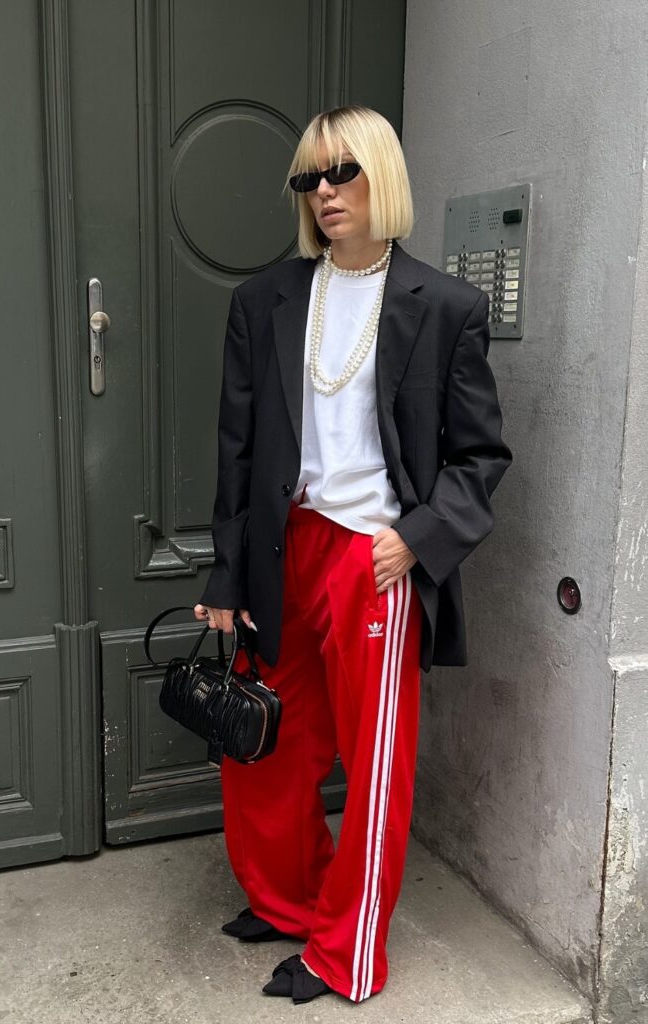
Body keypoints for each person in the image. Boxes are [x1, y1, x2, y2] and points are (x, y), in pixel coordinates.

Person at [193, 105, 512, 1005]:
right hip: (280, 549)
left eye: (342, 172)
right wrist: (226, 571)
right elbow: (239, 448)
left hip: (375, 558)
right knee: (262, 745)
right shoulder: (264, 301)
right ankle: (288, 899)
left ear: (382, 174)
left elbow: (479, 457)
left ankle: (346, 951)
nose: (325, 191)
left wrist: (413, 540)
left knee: (374, 764)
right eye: (309, 179)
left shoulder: (445, 307)